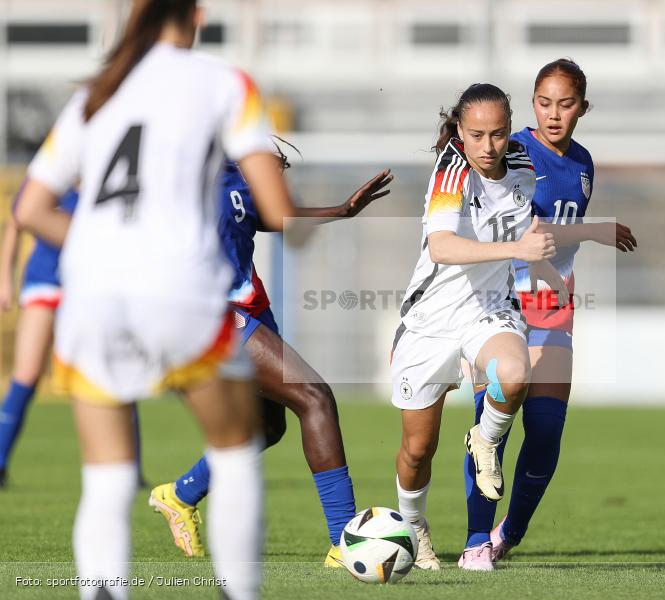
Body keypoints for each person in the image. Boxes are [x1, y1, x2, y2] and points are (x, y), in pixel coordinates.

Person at [13, 2, 297, 599]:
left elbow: (30, 209)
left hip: (92, 295)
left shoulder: (97, 94)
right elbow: (275, 209)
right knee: (237, 448)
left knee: (107, 478)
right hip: (180, 291)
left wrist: (101, 243)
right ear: (197, 14)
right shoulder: (223, 83)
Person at [149, 150, 392, 566]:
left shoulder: (233, 171)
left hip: (251, 306)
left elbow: (264, 217)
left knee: (268, 425)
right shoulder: (181, 166)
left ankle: (180, 494)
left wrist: (341, 211)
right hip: (212, 311)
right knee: (315, 397)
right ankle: (344, 542)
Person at [460, 58, 638, 569]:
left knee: (545, 432)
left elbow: (553, 239)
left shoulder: (583, 164)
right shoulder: (511, 152)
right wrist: (595, 230)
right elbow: (520, 233)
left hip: (553, 307)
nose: (553, 114)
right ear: (531, 103)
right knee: (491, 427)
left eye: (565, 103)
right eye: (543, 102)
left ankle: (507, 534)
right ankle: (475, 541)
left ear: (583, 107)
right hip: (498, 303)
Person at [391, 82, 569, 571]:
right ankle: (414, 528)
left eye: (497, 134)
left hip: (489, 308)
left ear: (509, 129)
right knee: (417, 449)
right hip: (430, 319)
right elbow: (443, 247)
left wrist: (540, 254)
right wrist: (518, 251)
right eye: (477, 135)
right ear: (460, 134)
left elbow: (518, 223)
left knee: (513, 375)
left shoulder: (524, 166)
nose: (488, 147)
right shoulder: (450, 170)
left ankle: (485, 439)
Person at [0, 189, 147, 490]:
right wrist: (5, 277)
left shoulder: (113, 167)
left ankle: (130, 468)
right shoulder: (56, 166)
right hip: (47, 279)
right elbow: (19, 219)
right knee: (27, 373)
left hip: (91, 283)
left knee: (117, 371)